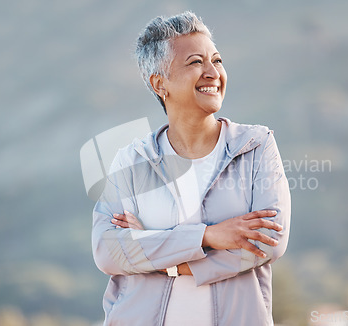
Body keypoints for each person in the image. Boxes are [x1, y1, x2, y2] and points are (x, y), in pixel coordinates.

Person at [92, 11, 291, 326]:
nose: (212, 72)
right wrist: (209, 236)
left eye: (217, 60)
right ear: (160, 84)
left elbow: (266, 242)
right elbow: (108, 251)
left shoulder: (256, 146)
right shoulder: (130, 162)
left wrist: (158, 254)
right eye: (196, 62)